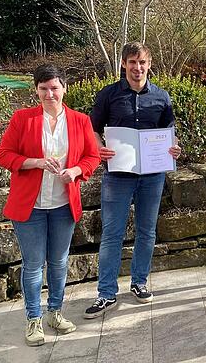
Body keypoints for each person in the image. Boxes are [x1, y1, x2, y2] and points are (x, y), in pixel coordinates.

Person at [0, 64, 100, 346]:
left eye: (54, 88)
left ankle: (55, 312)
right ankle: (34, 320)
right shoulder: (23, 119)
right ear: (36, 90)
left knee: (58, 262)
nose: (49, 94)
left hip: (63, 205)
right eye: (43, 89)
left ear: (64, 88)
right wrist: (35, 162)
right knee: (32, 265)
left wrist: (76, 171)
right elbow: (4, 155)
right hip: (29, 208)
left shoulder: (80, 121)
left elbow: (92, 157)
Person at [84, 42, 182, 318]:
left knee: (147, 231)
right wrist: (98, 146)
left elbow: (168, 132)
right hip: (118, 175)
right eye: (132, 62)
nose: (137, 68)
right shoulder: (109, 95)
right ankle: (106, 293)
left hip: (152, 175)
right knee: (112, 234)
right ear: (124, 64)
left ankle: (139, 282)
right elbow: (92, 128)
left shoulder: (161, 97)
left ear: (149, 65)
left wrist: (174, 147)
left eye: (142, 63)